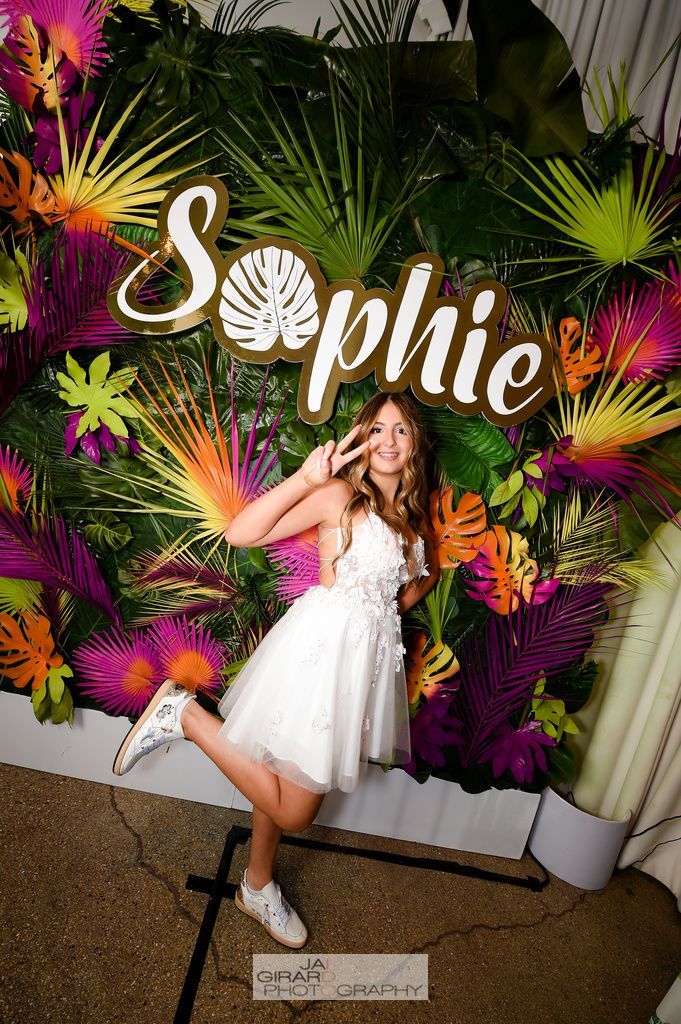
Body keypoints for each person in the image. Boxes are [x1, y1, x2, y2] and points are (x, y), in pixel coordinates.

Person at [112, 390, 439, 948]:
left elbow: (411, 586)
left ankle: (257, 886)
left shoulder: (412, 523)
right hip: (316, 656)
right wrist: (307, 481)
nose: (388, 440)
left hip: (355, 671)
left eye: (401, 430)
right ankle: (184, 715)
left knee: (281, 772)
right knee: (295, 813)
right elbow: (241, 533)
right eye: (378, 428)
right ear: (363, 438)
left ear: (415, 447)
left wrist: (383, 616)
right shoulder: (340, 496)